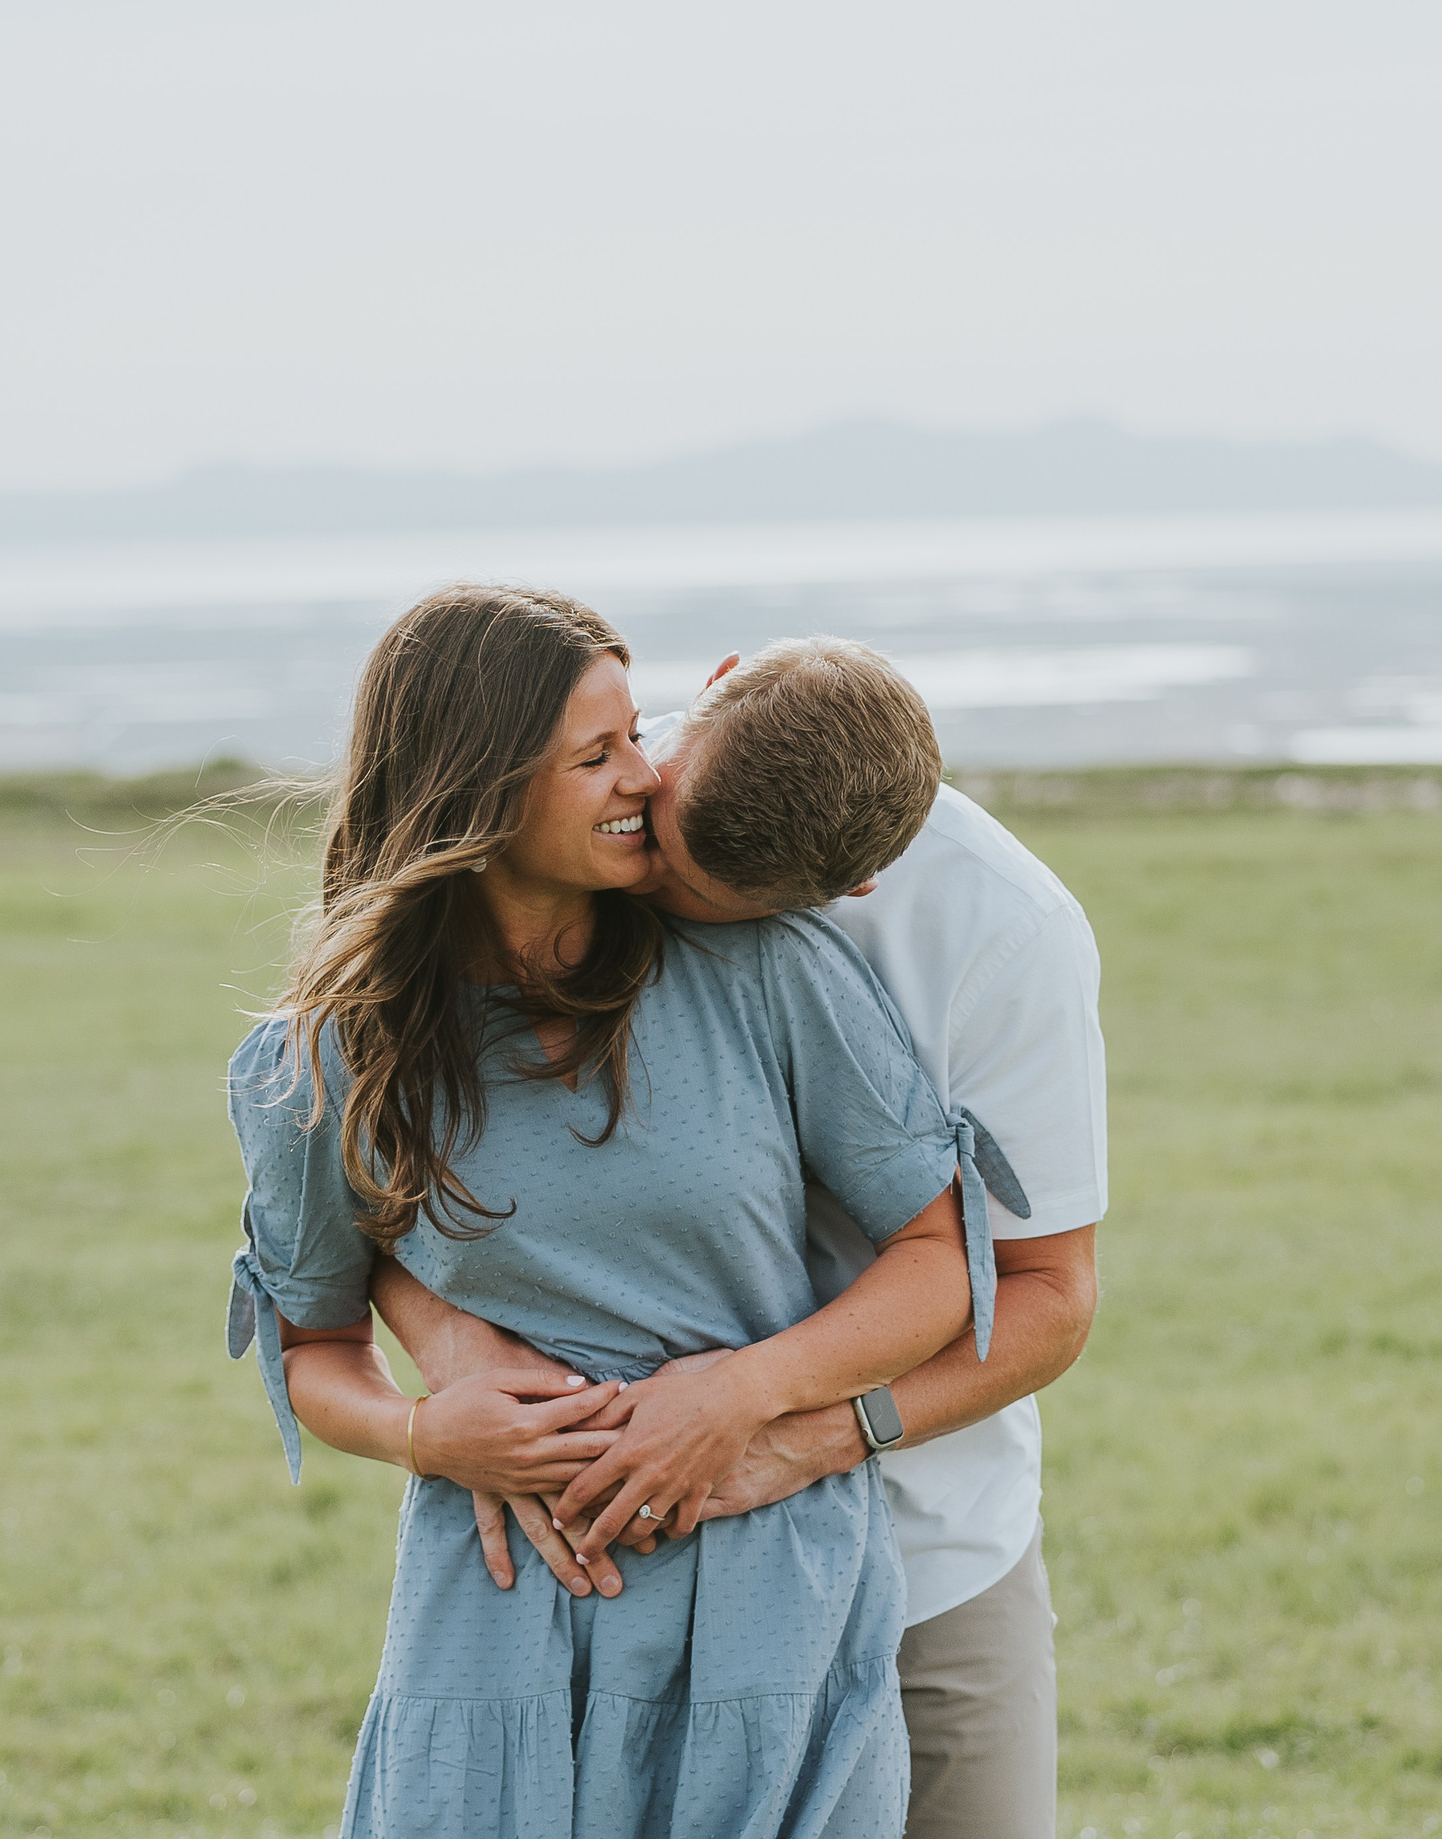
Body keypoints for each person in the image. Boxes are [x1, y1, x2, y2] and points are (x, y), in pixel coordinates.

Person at [226, 586, 1011, 1838]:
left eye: (636, 733)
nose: (646, 776)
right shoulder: (319, 1063)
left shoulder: (767, 968)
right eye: (597, 756)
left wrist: (745, 1391)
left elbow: (941, 1258)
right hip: (493, 1626)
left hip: (772, 1603)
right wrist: (427, 1436)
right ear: (472, 795)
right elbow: (311, 1343)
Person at [373, 637, 1106, 1839]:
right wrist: (451, 1347)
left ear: (835, 899)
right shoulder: (596, 812)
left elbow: (1046, 1295)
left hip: (926, 1541)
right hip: (613, 1564)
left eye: (694, 902)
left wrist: (790, 1424)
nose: (637, 871)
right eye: (652, 814)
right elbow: (389, 1174)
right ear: (706, 685)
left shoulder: (1005, 935)